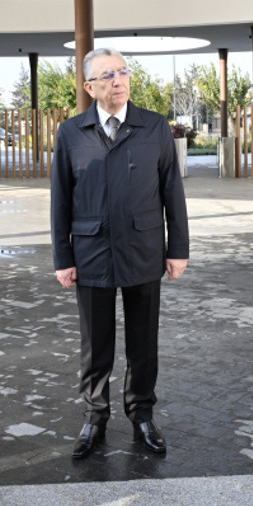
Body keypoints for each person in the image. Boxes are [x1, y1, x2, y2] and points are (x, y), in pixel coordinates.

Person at [51, 47, 189, 459]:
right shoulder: (72, 132)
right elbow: (61, 198)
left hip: (143, 247)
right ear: (89, 86)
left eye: (123, 71)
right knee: (95, 345)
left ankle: (142, 415)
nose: (118, 80)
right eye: (107, 74)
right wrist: (63, 257)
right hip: (91, 251)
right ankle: (94, 417)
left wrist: (176, 248)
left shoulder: (154, 126)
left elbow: (172, 191)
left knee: (143, 341)